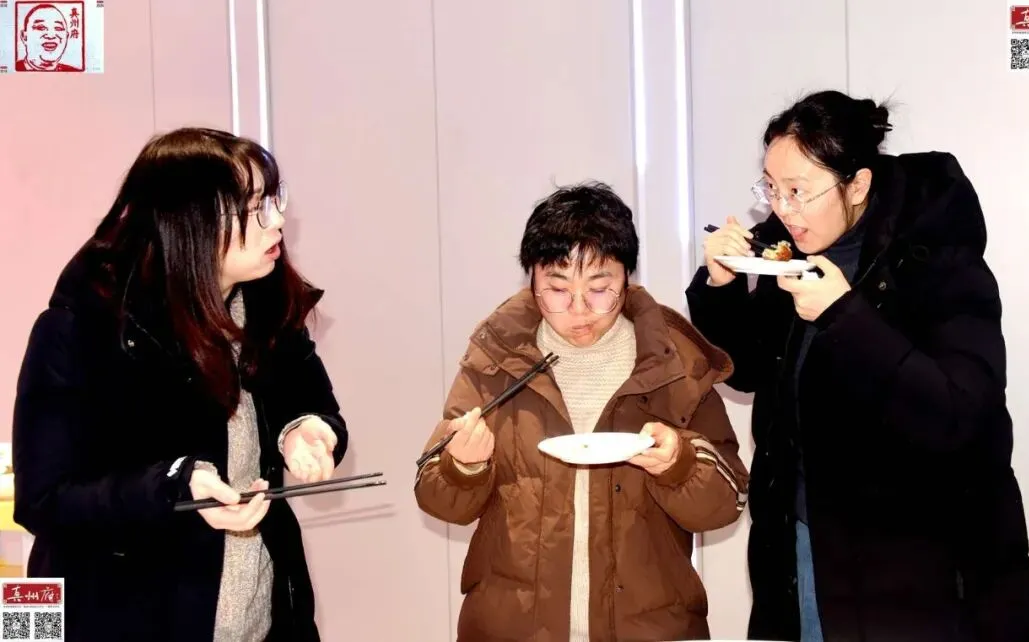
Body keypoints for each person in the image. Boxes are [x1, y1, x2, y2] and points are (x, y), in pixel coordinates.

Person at [685, 90, 1029, 642]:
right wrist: (721, 285)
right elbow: (750, 368)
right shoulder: (791, 252)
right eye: (771, 188)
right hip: (805, 545)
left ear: (857, 185)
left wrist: (844, 316)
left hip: (918, 565)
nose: (782, 208)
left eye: (798, 191)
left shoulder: (936, 260)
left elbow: (958, 414)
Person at [12, 127, 348, 641]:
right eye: (254, 207)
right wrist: (173, 485)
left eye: (274, 200)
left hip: (259, 617)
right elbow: (43, 500)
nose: (277, 220)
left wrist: (308, 430)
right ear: (191, 224)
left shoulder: (266, 306)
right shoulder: (81, 329)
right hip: (116, 615)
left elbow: (308, 400)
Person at [414, 182, 750, 642]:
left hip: (649, 626)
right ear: (532, 280)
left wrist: (679, 462)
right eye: (557, 289)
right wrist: (463, 467)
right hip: (512, 626)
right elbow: (436, 497)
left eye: (599, 289)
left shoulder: (672, 362)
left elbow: (727, 502)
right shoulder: (498, 358)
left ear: (626, 278)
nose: (578, 310)